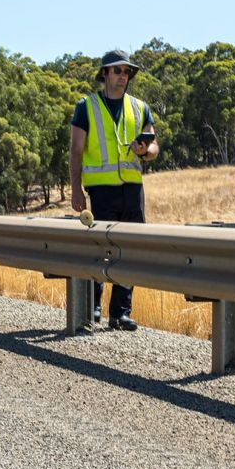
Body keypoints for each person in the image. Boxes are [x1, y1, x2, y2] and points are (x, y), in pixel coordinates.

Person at [69, 49, 159, 333]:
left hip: (133, 189)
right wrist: (75, 190)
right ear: (104, 73)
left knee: (129, 250)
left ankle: (120, 313)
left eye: (127, 72)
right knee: (102, 248)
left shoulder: (140, 107)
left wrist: (146, 151)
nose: (123, 76)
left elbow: (154, 147)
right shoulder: (87, 107)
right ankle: (92, 308)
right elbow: (75, 151)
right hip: (101, 190)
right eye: (117, 71)